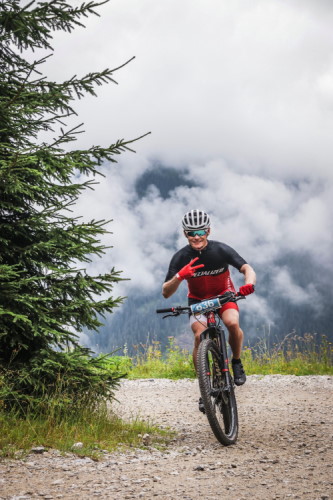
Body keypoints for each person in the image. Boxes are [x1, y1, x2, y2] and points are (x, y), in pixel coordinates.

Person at [162, 209, 256, 410]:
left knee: (232, 322)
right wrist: (180, 276)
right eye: (191, 233)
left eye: (201, 231)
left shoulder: (220, 250)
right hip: (197, 301)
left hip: (224, 295)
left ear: (208, 231)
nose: (197, 237)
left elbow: (247, 268)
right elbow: (165, 292)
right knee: (199, 337)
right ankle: (204, 388)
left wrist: (249, 283)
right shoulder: (181, 257)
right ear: (185, 234)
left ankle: (237, 362)